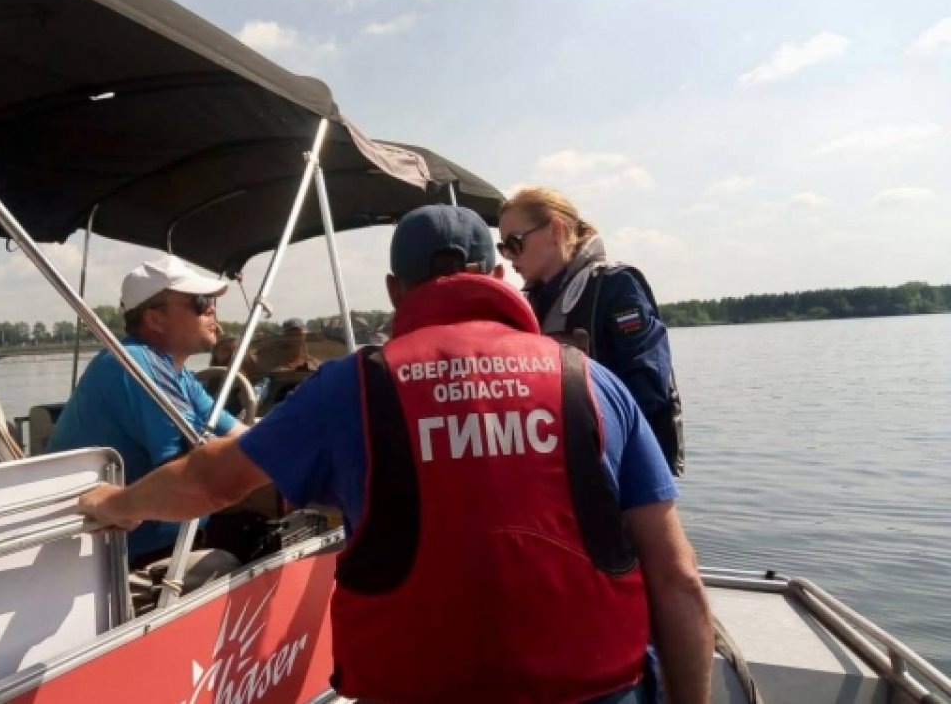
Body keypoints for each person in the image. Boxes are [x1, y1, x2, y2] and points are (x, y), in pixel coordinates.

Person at [79, 206, 713, 704]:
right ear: (497, 279)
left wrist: (118, 501)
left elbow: (210, 481)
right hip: (598, 691)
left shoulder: (351, 387)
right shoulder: (591, 381)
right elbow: (678, 579)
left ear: (392, 289)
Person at [47, 255, 247, 568]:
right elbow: (189, 476)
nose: (211, 308)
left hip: (171, 539)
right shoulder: (135, 365)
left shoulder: (175, 371)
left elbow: (242, 437)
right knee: (236, 556)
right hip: (122, 559)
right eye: (199, 301)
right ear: (155, 320)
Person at [498, 186, 685, 476]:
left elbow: (646, 387)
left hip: (622, 472)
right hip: (564, 472)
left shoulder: (615, 287)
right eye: (502, 247)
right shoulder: (529, 306)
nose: (508, 256)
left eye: (514, 242)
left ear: (555, 231)